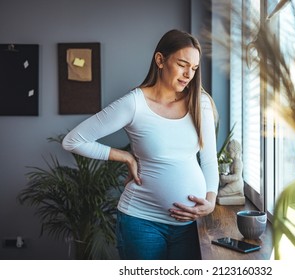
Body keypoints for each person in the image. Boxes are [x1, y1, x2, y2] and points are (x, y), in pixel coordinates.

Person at [62, 29, 219, 260]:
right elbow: (72, 140)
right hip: (141, 222)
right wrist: (124, 156)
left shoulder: (200, 102)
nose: (188, 74)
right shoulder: (134, 104)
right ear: (160, 60)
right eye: (183, 64)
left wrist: (211, 201)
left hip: (189, 226)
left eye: (194, 68)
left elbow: (208, 159)